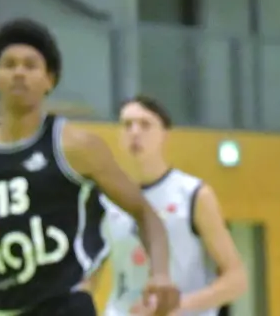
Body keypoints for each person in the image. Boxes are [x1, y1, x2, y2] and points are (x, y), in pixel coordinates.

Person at [0, 20, 179, 316]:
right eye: (10, 64)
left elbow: (145, 213)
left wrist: (160, 274)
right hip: (1, 308)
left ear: (50, 79)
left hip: (67, 303)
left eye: (31, 65)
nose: (19, 71)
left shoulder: (77, 146)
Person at [101, 96, 248, 316]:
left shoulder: (192, 194)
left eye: (145, 124)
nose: (135, 132)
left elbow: (236, 279)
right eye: (127, 125)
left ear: (165, 135)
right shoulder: (106, 197)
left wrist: (179, 306)